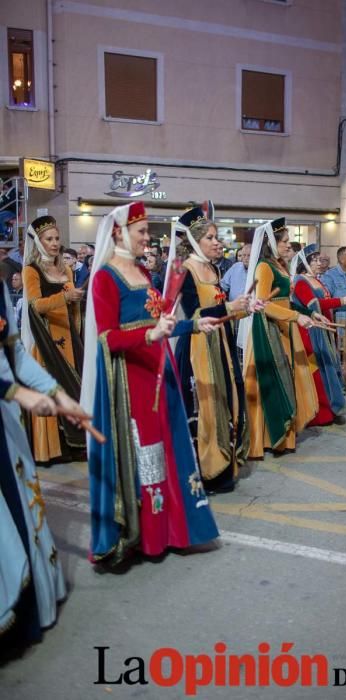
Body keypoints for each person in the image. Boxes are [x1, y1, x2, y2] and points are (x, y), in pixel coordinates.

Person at [80, 201, 219, 569]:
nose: (147, 237)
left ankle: (173, 531)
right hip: (134, 382)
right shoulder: (105, 278)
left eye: (146, 231)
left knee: (171, 452)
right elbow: (107, 339)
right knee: (150, 458)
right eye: (141, 231)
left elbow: (163, 322)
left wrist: (192, 326)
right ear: (119, 233)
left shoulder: (142, 271)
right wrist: (150, 335)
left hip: (162, 372)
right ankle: (148, 537)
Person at [0, 276, 82, 649]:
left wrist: (57, 393)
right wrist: (18, 394)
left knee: (22, 507)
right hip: (9, 403)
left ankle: (29, 608)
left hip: (6, 422)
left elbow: (14, 357)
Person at [174, 204, 251, 493]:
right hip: (197, 348)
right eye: (210, 237)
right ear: (194, 241)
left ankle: (222, 463)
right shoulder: (185, 271)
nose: (217, 242)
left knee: (223, 400)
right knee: (204, 406)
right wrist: (230, 306)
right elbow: (194, 314)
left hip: (219, 342)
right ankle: (205, 470)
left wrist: (244, 309)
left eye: (216, 236)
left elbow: (221, 309)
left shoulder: (213, 267)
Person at [241, 218, 319, 459]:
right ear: (271, 243)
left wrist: (310, 312)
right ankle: (266, 439)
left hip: (285, 329)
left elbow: (286, 300)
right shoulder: (265, 267)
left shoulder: (279, 265)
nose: (289, 245)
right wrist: (296, 316)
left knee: (286, 380)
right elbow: (263, 305)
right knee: (270, 382)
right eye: (284, 241)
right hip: (269, 331)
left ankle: (283, 437)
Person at [21, 216, 86, 466]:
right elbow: (35, 306)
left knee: (73, 389)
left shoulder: (66, 269)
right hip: (46, 340)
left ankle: (74, 444)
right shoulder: (31, 270)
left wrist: (76, 300)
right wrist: (65, 297)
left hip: (69, 337)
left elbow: (71, 304)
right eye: (49, 239)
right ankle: (51, 448)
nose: (55, 243)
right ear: (38, 242)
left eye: (57, 238)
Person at [291, 246, 346, 425]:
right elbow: (314, 305)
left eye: (320, 260)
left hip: (322, 328)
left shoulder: (317, 280)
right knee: (317, 370)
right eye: (315, 260)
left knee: (328, 368)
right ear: (306, 263)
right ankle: (319, 413)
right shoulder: (301, 281)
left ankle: (331, 408)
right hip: (310, 331)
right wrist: (341, 301)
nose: (319, 263)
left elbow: (323, 303)